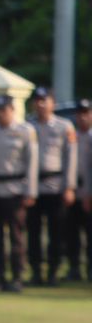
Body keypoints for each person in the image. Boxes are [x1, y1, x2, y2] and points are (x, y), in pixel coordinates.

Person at [0, 93, 37, 293]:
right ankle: (0, 277)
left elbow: (31, 163)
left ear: (12, 110)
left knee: (16, 237)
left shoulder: (25, 131)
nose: (1, 114)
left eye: (5, 110)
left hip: (15, 190)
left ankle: (18, 277)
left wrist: (30, 190)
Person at [25, 85, 77, 285]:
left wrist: (69, 186)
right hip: (33, 187)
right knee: (33, 232)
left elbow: (70, 158)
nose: (40, 104)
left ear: (52, 103)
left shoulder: (64, 127)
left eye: (44, 100)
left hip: (55, 186)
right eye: (37, 100)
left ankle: (54, 271)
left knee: (56, 231)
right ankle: (36, 271)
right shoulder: (28, 126)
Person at [70, 98, 92, 282]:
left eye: (86, 113)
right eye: (80, 113)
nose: (83, 117)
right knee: (71, 233)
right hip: (73, 190)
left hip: (89, 192)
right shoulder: (72, 136)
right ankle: (74, 268)